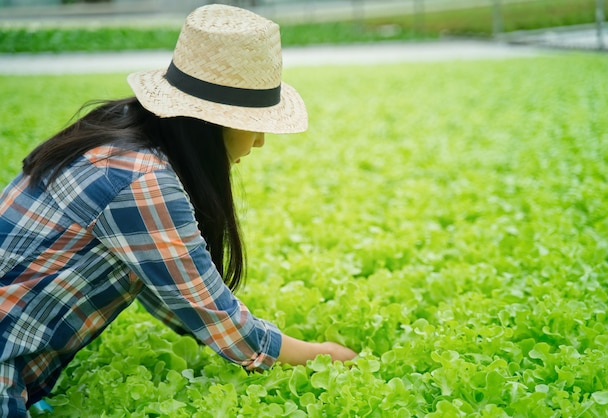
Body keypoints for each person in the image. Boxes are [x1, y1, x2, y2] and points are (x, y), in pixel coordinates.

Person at [0, 4, 357, 416]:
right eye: (254, 123)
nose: (259, 143)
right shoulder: (142, 179)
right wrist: (323, 355)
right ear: (210, 123)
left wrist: (207, 325)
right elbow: (224, 326)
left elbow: (164, 287)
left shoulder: (119, 132)